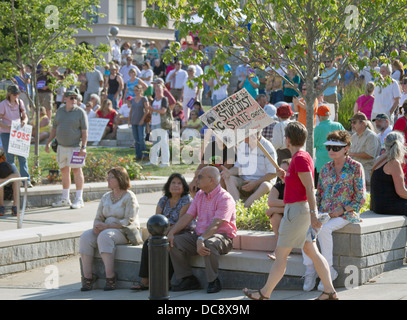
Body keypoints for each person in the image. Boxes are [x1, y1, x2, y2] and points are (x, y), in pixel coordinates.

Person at [243, 121, 338, 300]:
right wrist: (285, 176)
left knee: (281, 255)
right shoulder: (302, 157)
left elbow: (310, 188)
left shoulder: (300, 159)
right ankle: (329, 291)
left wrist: (313, 214)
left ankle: (264, 294)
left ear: (287, 140)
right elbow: (300, 185)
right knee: (312, 252)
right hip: (298, 211)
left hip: (297, 213)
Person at [302, 130, 366, 292]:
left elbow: (360, 198)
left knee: (325, 230)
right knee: (306, 231)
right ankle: (310, 271)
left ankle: (328, 271)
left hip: (347, 213)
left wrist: (342, 209)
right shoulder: (324, 168)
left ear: (346, 148)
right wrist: (314, 213)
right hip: (325, 213)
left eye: (335, 148)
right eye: (329, 147)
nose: (331, 150)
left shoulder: (356, 167)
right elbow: (319, 194)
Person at [167, 166, 236, 294]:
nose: (196, 179)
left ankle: (213, 281)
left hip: (222, 237)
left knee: (209, 243)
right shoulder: (199, 195)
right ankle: (188, 279)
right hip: (200, 235)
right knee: (174, 241)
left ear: (211, 180)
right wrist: (172, 232)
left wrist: (201, 238)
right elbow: (188, 216)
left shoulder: (225, 198)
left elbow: (216, 225)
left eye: (200, 177)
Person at [79, 167, 140, 291]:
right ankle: (88, 278)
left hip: (124, 231)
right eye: (108, 177)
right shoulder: (106, 196)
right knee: (85, 236)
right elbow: (98, 217)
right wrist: (96, 226)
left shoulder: (129, 196)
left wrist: (107, 226)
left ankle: (110, 277)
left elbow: (129, 220)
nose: (108, 179)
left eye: (111, 177)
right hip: (106, 229)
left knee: (105, 236)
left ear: (120, 178)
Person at [131, 173, 193, 291]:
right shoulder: (163, 200)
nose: (176, 185)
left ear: (184, 186)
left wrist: (164, 232)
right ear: (168, 185)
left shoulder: (187, 200)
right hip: (162, 232)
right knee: (148, 244)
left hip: (181, 231)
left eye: (179, 183)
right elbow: (157, 218)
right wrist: (154, 233)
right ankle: (145, 280)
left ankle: (166, 281)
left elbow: (181, 222)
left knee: (168, 244)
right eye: (173, 183)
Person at [45, 91, 88, 209]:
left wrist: (83, 147)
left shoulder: (80, 112)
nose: (74, 100)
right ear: (65, 99)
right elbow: (54, 128)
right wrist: (48, 142)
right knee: (64, 171)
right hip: (61, 146)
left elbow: (84, 132)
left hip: (75, 147)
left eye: (75, 98)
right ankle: (65, 198)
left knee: (76, 171)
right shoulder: (60, 111)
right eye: (71, 98)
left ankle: (79, 198)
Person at [221, 132, 277, 208]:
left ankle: (245, 207)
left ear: (254, 136)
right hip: (244, 181)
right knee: (228, 178)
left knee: (265, 185)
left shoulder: (268, 147)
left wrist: (256, 183)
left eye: (245, 134)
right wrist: (229, 172)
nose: (242, 137)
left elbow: (273, 173)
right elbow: (238, 168)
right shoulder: (242, 145)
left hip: (261, 182)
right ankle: (237, 206)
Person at [0, 85, 31, 187]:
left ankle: (26, 181)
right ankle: (14, 181)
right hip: (6, 133)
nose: (16, 96)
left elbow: (24, 116)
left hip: (18, 132)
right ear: (9, 94)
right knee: (10, 159)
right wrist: (7, 126)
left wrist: (24, 122)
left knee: (23, 158)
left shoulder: (20, 103)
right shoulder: (3, 104)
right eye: (14, 94)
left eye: (18, 94)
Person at [370, 131, 407, 215]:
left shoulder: (380, 159)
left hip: (378, 206)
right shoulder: (394, 162)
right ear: (402, 146)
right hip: (388, 206)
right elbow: (401, 192)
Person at [265, 158, 291, 260]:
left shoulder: (295, 185)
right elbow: (271, 202)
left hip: (295, 215)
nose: (282, 173)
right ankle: (279, 248)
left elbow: (296, 206)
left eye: (286, 170)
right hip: (283, 215)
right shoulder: (278, 186)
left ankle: (279, 251)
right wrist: (285, 205)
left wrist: (275, 209)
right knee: (275, 216)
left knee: (274, 213)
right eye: (281, 170)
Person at [313, 105, 345, 186]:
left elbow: (312, 144)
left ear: (318, 116)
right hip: (337, 163)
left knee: (321, 189)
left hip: (321, 164)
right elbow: (346, 141)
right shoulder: (338, 125)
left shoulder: (318, 128)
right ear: (329, 115)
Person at [348, 112, 380, 184]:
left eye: (354, 122)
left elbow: (370, 155)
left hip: (366, 172)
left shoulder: (371, 136)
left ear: (363, 123)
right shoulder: (354, 136)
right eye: (351, 122)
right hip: (354, 171)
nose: (352, 125)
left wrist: (352, 154)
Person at [146, 82, 170, 167]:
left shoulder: (164, 99)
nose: (157, 92)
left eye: (159, 90)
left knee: (163, 142)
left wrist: (153, 109)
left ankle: (165, 162)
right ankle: (153, 161)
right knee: (155, 143)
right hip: (154, 123)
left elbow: (163, 111)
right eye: (156, 90)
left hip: (161, 123)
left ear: (162, 91)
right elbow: (152, 111)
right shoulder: (154, 100)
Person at [128, 85, 149, 160]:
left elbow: (147, 110)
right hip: (134, 120)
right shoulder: (133, 99)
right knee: (136, 139)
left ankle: (145, 154)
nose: (136, 92)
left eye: (137, 90)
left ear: (141, 90)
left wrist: (142, 120)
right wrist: (129, 119)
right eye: (135, 90)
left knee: (141, 138)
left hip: (140, 121)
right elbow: (131, 110)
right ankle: (138, 155)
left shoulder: (144, 99)